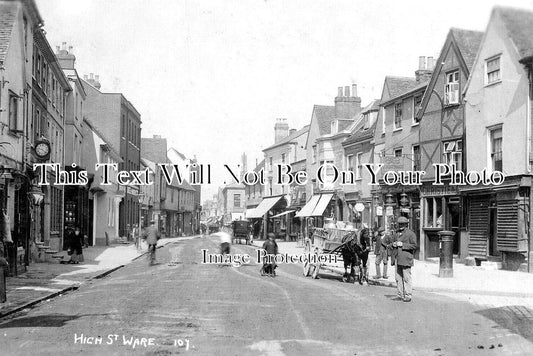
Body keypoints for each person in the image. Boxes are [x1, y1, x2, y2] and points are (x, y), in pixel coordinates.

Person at [392, 216, 417, 302]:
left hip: (406, 258)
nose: (400, 226)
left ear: (406, 224)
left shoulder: (411, 233)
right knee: (398, 278)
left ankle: (408, 295)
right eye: (399, 224)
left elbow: (414, 246)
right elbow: (393, 242)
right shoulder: (396, 233)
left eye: (403, 224)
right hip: (397, 258)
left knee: (406, 278)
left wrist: (402, 245)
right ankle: (400, 294)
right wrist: (394, 244)